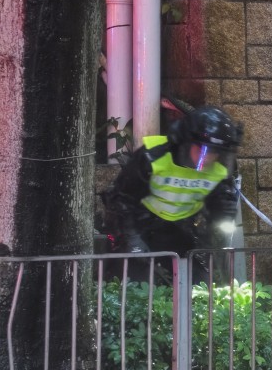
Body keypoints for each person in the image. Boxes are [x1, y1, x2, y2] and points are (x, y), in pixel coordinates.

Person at [102, 103, 243, 277]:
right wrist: (132, 239)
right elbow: (122, 199)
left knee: (199, 290)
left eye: (215, 152)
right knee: (134, 286)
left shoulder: (218, 172)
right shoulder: (153, 157)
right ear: (186, 141)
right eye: (203, 150)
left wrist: (221, 213)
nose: (207, 158)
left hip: (183, 233)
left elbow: (217, 211)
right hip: (142, 227)